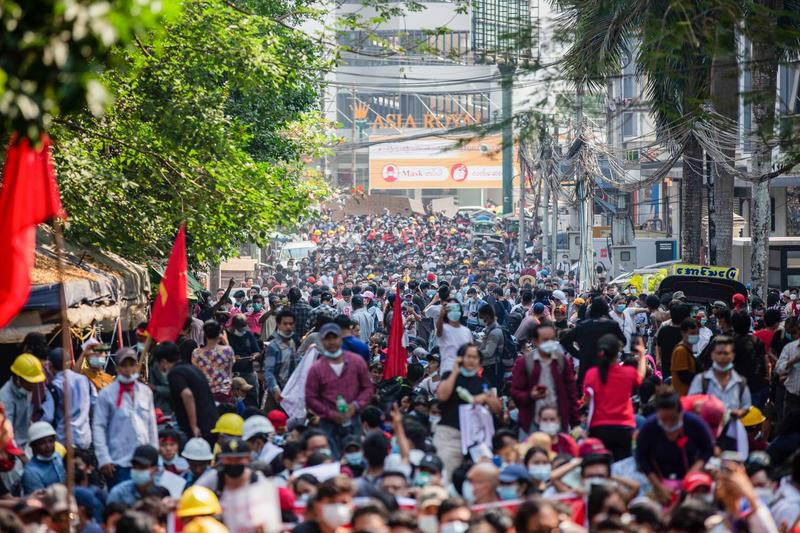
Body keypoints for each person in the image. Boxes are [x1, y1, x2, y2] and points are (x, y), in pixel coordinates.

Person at [304, 323, 374, 458]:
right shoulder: (316, 369)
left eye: (334, 338)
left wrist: (355, 405)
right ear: (322, 341)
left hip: (353, 420)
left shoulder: (356, 362)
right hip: (328, 424)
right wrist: (330, 413)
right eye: (327, 339)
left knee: (354, 459)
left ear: (341, 339)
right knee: (331, 460)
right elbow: (310, 397)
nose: (331, 342)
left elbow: (368, 388)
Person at [635, 387, 715, 504]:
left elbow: (709, 448)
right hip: (660, 483)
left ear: (680, 413)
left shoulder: (694, 423)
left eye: (673, 419)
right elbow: (641, 458)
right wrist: (658, 486)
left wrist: (693, 473)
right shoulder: (649, 427)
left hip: (693, 482)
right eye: (664, 420)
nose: (668, 424)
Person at [434, 343, 502, 481]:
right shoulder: (449, 376)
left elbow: (497, 408)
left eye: (475, 357)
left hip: (475, 438)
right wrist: (455, 371)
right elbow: (442, 396)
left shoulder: (483, 382)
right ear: (460, 358)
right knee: (446, 475)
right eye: (468, 356)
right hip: (450, 435)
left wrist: (485, 398)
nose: (471, 360)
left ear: (479, 361)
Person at [92, 348, 158, 488]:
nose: (128, 369)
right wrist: (103, 458)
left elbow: (151, 426)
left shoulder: (145, 392)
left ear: (136, 366)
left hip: (144, 460)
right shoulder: (106, 394)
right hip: (118, 461)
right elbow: (98, 427)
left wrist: (155, 455)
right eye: (124, 365)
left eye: (131, 365)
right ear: (117, 368)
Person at [583, 334, 646, 461]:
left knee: (601, 464)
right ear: (618, 353)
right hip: (624, 427)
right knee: (622, 464)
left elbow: (587, 402)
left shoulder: (591, 374)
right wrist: (642, 355)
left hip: (598, 428)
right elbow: (640, 376)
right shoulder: (628, 372)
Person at [510, 324, 578, 437]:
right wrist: (530, 396)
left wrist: (575, 421)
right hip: (532, 422)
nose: (550, 343)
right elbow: (515, 392)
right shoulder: (524, 363)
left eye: (552, 339)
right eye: (545, 340)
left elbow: (571, 392)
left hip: (558, 421)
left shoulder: (561, 361)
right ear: (535, 341)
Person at [155, 341, 218, 443]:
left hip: (200, 428)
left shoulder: (175, 373)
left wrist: (193, 426)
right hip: (211, 422)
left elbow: (187, 395)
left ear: (163, 361)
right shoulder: (192, 369)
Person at [559, 297, 625, 384]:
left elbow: (564, 341)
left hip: (586, 367)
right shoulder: (612, 325)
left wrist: (579, 355)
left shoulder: (583, 326)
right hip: (607, 368)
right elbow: (623, 341)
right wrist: (613, 353)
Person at [42, 348, 95, 450]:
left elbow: (48, 417)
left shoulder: (53, 387)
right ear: (70, 362)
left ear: (50, 366)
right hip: (85, 439)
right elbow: (95, 407)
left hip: (64, 442)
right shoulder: (85, 380)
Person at [688, 336, 751, 417]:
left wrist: (734, 414)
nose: (722, 357)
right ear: (712, 355)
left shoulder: (740, 382)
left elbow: (746, 407)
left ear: (732, 356)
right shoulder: (700, 380)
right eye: (719, 353)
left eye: (726, 353)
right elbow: (691, 404)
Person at [0, 353, 46, 447]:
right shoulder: (5, 399)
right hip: (14, 447)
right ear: (17, 378)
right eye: (30, 382)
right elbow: (6, 435)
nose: (33, 385)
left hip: (26, 442)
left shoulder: (25, 389)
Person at [192, 320, 235, 403]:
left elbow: (196, 372)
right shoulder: (227, 350)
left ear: (205, 334)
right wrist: (226, 341)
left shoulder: (196, 353)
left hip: (205, 394)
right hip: (224, 393)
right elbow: (232, 362)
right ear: (219, 333)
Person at [264, 309, 298, 408]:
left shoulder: (292, 343)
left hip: (289, 391)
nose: (288, 326)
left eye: (291, 324)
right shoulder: (273, 346)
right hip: (276, 393)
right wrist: (275, 388)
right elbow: (268, 371)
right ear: (278, 325)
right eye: (285, 324)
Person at [21, 422, 65, 494]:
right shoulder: (31, 473)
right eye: (42, 443)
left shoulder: (57, 457)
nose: (48, 446)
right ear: (33, 446)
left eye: (51, 441)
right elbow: (39, 499)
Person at [227, 314, 261, 407]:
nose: (241, 331)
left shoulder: (248, 335)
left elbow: (257, 351)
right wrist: (233, 358)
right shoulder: (227, 336)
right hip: (233, 373)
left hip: (248, 372)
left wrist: (254, 356)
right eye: (239, 328)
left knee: (252, 398)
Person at [435, 298, 474, 373]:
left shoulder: (466, 331)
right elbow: (439, 330)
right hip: (448, 372)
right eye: (451, 308)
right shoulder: (444, 329)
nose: (454, 311)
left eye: (456, 307)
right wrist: (441, 315)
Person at [477, 304, 505, 391]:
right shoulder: (491, 328)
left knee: (490, 391)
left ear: (487, 316)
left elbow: (488, 352)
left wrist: (475, 353)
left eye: (481, 317)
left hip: (492, 368)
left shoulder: (494, 332)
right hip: (489, 366)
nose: (481, 319)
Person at [670, 318, 699, 396]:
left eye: (697, 333)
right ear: (683, 333)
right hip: (682, 396)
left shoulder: (688, 349)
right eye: (692, 333)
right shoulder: (680, 350)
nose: (695, 336)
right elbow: (684, 376)